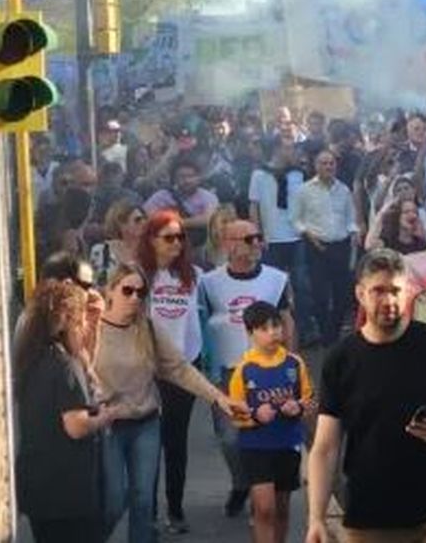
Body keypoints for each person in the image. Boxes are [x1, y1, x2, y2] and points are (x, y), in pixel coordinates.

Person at [306, 249, 426, 543]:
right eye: (378, 291)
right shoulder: (341, 359)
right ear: (360, 294)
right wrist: (316, 518)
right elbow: (325, 448)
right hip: (369, 515)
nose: (389, 301)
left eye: (396, 290)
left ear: (408, 291)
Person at [94, 263, 243, 542]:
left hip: (145, 422)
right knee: (115, 499)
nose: (135, 298)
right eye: (128, 290)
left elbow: (179, 368)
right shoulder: (93, 330)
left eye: (141, 292)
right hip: (108, 426)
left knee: (142, 498)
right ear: (110, 291)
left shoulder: (147, 329)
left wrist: (218, 397)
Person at [201, 220, 295, 519]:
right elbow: (201, 323)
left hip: (267, 370)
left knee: (264, 437)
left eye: (259, 238)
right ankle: (242, 482)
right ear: (228, 244)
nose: (257, 244)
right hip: (228, 373)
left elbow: (287, 320)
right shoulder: (208, 282)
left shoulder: (276, 279)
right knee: (229, 438)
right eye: (249, 239)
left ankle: (261, 498)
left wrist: (290, 361)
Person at [16, 280, 113, 543]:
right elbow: (76, 425)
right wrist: (106, 417)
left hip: (38, 487)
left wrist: (96, 326)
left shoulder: (31, 358)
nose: (84, 330)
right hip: (68, 491)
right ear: (69, 322)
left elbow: (85, 365)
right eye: (81, 322)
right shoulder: (63, 365)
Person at [137, 209, 212, 534]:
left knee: (176, 441)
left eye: (181, 237)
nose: (177, 243)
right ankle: (148, 513)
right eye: (169, 237)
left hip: (184, 365)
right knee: (149, 442)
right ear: (152, 240)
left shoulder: (193, 275)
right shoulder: (139, 276)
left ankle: (175, 509)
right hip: (146, 370)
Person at [229, 302, 314, 543]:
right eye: (264, 328)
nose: (273, 332)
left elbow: (309, 400)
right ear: (250, 333)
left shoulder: (294, 364)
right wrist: (255, 414)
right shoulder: (244, 369)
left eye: (276, 326)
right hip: (256, 446)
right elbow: (235, 412)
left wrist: (297, 407)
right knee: (264, 509)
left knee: (281, 508)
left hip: (287, 444)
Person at [292, 150, 357, 346]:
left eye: (331, 163)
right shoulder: (304, 190)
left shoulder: (343, 190)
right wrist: (308, 234)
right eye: (324, 163)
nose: (328, 167)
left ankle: (333, 336)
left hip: (341, 246)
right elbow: (295, 219)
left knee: (341, 294)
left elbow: (350, 218)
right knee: (319, 294)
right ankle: (324, 332)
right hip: (316, 247)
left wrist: (354, 233)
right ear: (315, 166)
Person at [250, 140, 306, 284]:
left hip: (297, 237)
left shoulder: (299, 174)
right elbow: (254, 206)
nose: (293, 151)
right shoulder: (259, 174)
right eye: (288, 148)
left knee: (302, 283)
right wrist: (257, 234)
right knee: (273, 282)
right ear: (277, 150)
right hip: (271, 239)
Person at [143, 157, 220, 249]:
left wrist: (177, 222)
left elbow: (208, 219)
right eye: (182, 176)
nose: (187, 180)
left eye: (191, 176)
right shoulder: (163, 195)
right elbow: (145, 214)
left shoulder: (208, 197)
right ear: (175, 179)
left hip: (198, 247)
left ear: (199, 177)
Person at [89, 200, 145, 282]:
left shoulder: (150, 252)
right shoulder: (101, 251)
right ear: (121, 224)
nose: (144, 223)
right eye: (137, 220)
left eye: (145, 219)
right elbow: (98, 283)